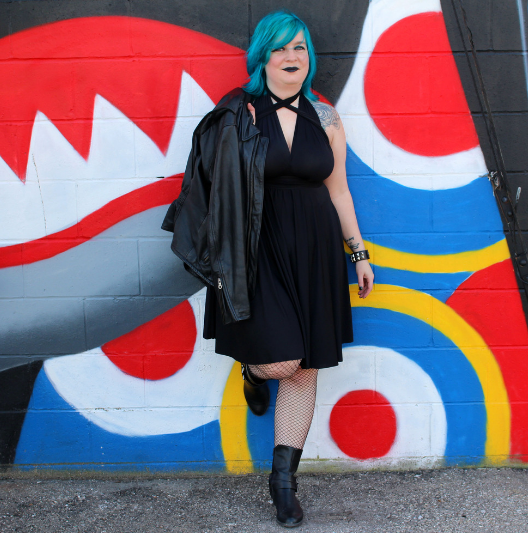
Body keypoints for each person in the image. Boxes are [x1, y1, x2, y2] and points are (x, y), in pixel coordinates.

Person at [163, 10, 373, 528]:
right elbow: (208, 184)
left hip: (316, 249)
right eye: (280, 49)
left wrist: (358, 252)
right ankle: (253, 370)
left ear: (309, 58)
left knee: (306, 366)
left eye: (299, 49)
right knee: (282, 363)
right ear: (262, 57)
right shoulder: (239, 112)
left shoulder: (326, 119)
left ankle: (284, 483)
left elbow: (338, 189)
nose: (291, 58)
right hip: (257, 251)